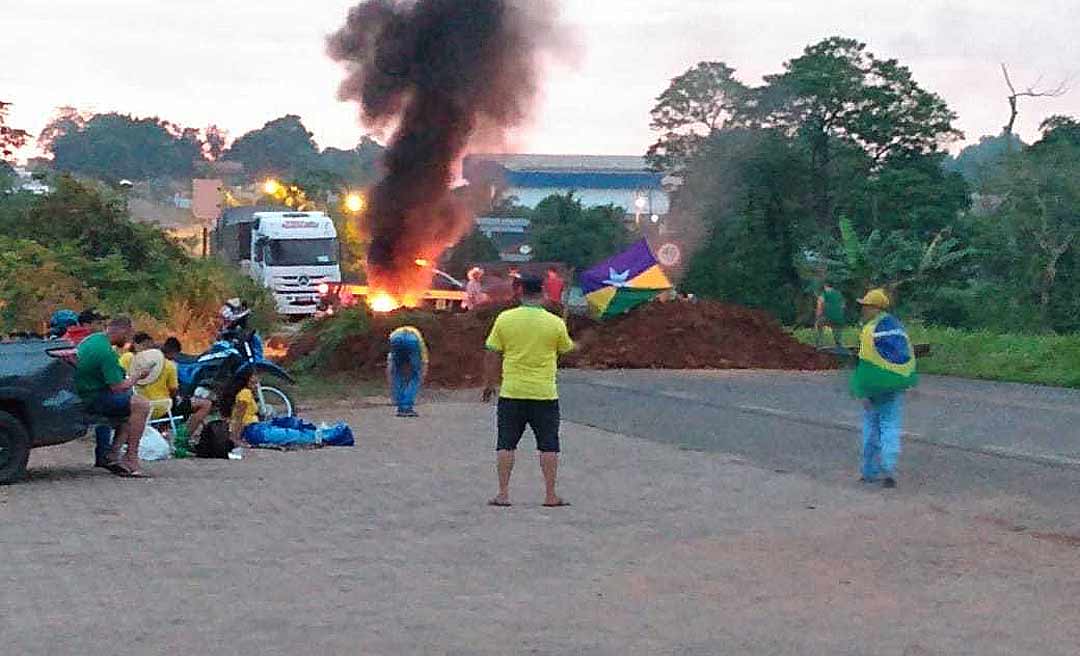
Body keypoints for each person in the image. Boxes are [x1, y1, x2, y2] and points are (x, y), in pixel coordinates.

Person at [482, 276, 575, 508]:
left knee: (505, 444)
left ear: (520, 291)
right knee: (549, 445)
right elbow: (567, 349)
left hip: (512, 392)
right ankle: (550, 495)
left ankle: (503, 494)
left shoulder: (505, 319)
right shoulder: (554, 322)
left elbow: (492, 352)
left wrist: (489, 384)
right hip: (544, 393)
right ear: (543, 292)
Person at [850, 289, 919, 489]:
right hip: (894, 384)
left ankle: (869, 471)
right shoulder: (898, 327)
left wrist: (861, 388)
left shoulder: (869, 329)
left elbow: (865, 361)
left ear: (874, 308)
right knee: (890, 426)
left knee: (871, 427)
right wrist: (906, 381)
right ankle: (889, 470)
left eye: (865, 306)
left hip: (874, 386)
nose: (863, 309)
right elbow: (907, 355)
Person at [74, 316, 153, 477]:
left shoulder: (93, 340)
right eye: (130, 335)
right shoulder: (106, 353)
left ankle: (110, 454)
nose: (130, 339)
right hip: (92, 398)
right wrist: (138, 376)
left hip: (82, 392)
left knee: (128, 408)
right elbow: (117, 386)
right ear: (123, 331)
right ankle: (130, 456)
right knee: (141, 404)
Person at [161, 337, 213, 438]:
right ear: (174, 352)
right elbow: (174, 390)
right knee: (206, 404)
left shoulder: (149, 362)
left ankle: (166, 427)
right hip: (165, 406)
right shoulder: (171, 366)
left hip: (150, 403)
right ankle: (184, 438)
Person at [386, 325, 429, 417]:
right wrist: (422, 373)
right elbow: (424, 360)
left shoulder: (395, 333)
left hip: (395, 339)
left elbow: (391, 361)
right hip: (412, 340)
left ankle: (400, 406)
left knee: (397, 373)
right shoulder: (418, 337)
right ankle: (406, 407)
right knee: (415, 375)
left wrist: (390, 375)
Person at [222, 369, 261, 446]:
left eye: (256, 383)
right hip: (250, 430)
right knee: (290, 434)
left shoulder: (247, 393)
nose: (256, 386)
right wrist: (235, 438)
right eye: (253, 383)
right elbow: (239, 417)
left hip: (253, 427)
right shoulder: (246, 393)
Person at [815, 283, 846, 349]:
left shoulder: (824, 293)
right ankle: (839, 344)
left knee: (818, 325)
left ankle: (819, 345)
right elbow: (843, 306)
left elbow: (819, 305)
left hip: (827, 317)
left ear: (825, 286)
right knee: (837, 331)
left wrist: (818, 316)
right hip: (839, 318)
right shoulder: (839, 293)